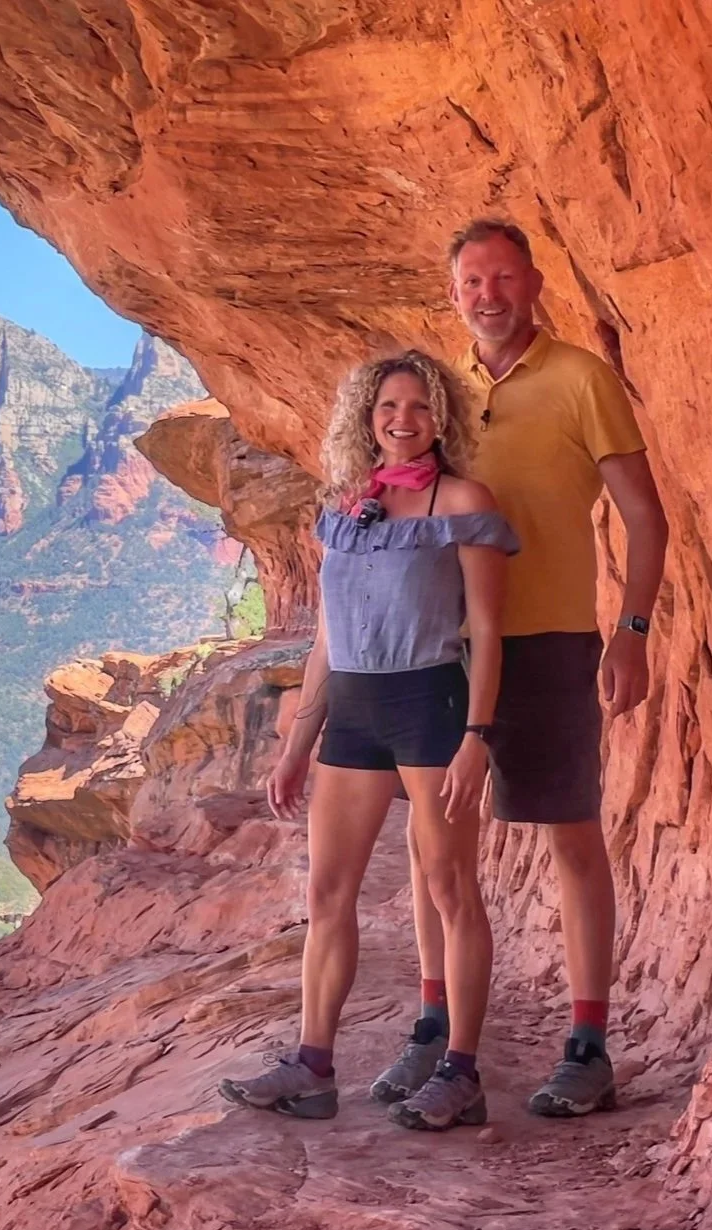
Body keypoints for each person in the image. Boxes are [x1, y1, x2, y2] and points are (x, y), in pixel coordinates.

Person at [373, 219, 669, 1118]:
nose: (488, 294)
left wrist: (632, 629)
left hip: (548, 642)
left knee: (572, 835)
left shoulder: (582, 379)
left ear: (535, 283)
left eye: (503, 277)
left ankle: (588, 1045)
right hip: (440, 646)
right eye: (471, 281)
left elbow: (645, 518)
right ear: (453, 292)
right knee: (435, 852)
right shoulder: (439, 394)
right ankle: (436, 1035)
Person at [220, 350, 519, 1129]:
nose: (403, 420)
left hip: (429, 702)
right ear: (367, 417)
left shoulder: (463, 502)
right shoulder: (346, 510)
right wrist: (296, 742)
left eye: (419, 407)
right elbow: (327, 634)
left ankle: (461, 1071)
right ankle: (312, 1068)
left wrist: (477, 736)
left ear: (441, 418)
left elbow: (487, 631)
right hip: (353, 708)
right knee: (327, 894)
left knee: (451, 888)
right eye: (388, 407)